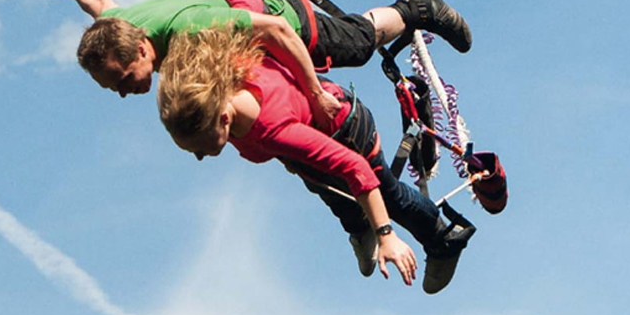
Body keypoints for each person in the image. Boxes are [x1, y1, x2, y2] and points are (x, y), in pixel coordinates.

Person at [155, 25, 475, 293]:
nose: (199, 157)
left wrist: (386, 234)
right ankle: (358, 227)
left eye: (200, 147)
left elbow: (355, 168)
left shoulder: (270, 128)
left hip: (348, 132)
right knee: (325, 189)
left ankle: (442, 240)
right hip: (308, 144)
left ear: (223, 119)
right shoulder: (225, 77)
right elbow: (243, 2)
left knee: (385, 194)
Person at [42, 0, 471, 128]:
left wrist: (313, 93)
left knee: (358, 44)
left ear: (139, 50)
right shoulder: (125, 25)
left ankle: (416, 9)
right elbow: (98, 3)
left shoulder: (190, 34)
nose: (122, 92)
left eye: (121, 79)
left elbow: (278, 32)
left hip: (283, 19)